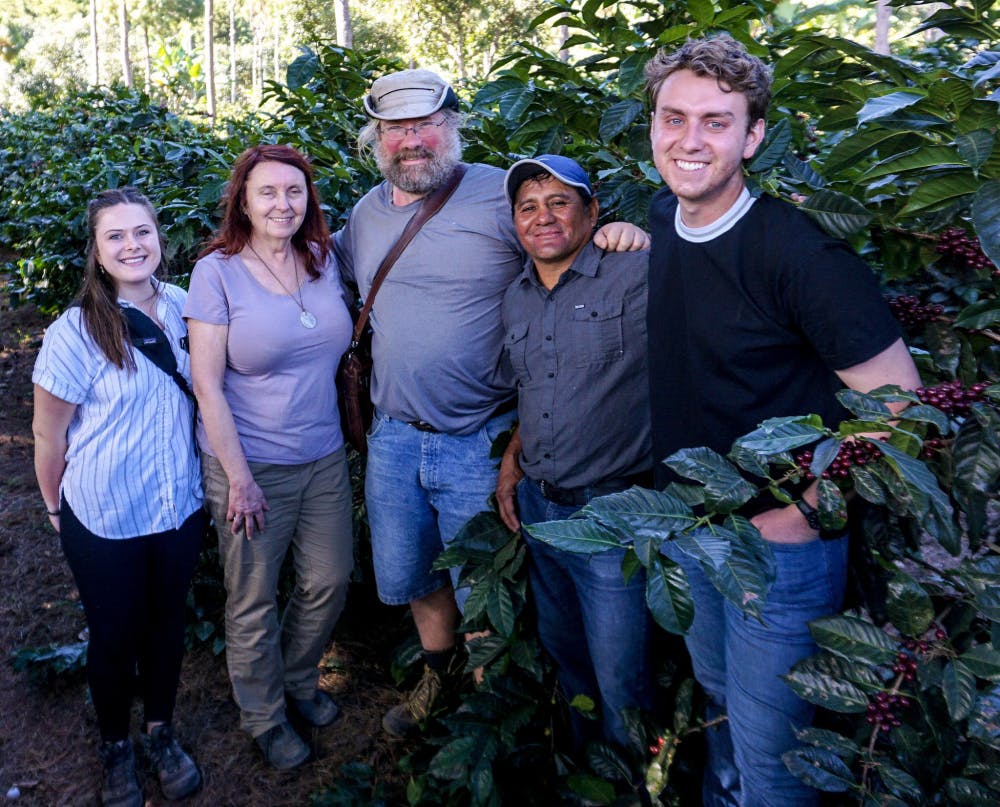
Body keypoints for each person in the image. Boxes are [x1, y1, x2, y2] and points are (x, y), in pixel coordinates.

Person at [643, 35, 921, 806]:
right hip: (692, 525)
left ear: (754, 136)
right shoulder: (663, 220)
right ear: (652, 124)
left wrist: (807, 506)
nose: (690, 140)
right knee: (721, 701)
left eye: (716, 122)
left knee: (776, 763)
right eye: (673, 118)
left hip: (778, 550)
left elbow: (898, 398)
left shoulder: (798, 253)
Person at [334, 68, 649, 737]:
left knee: (487, 585)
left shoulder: (494, 195)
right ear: (376, 140)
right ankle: (438, 677)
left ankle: (491, 709)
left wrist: (623, 239)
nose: (412, 141)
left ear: (451, 129)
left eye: (425, 125)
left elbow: (561, 245)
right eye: (396, 129)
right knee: (415, 573)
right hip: (393, 435)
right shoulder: (362, 215)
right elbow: (310, 271)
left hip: (479, 437)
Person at [184, 144, 354, 770]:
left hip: (323, 454)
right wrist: (239, 480)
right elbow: (207, 384)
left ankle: (298, 679)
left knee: (328, 580)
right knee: (252, 596)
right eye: (267, 192)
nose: (282, 203)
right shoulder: (217, 273)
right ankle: (264, 715)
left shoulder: (321, 258)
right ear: (244, 202)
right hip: (249, 464)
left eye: (294, 191)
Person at [32, 188, 204, 807]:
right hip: (104, 513)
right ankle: (115, 746)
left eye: (143, 233)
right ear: (97, 251)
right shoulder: (76, 331)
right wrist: (55, 508)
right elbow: (48, 435)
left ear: (160, 238)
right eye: (116, 236)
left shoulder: (188, 307)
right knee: (112, 634)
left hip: (177, 506)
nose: (132, 246)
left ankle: (159, 730)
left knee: (165, 625)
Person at [494, 155, 654, 749]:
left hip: (612, 512)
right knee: (569, 657)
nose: (543, 218)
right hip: (539, 511)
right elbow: (537, 388)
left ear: (592, 212)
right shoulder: (517, 296)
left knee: (622, 676)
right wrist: (513, 457)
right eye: (528, 207)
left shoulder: (636, 272)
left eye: (560, 202)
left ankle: (637, 778)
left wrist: (648, 231)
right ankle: (591, 774)